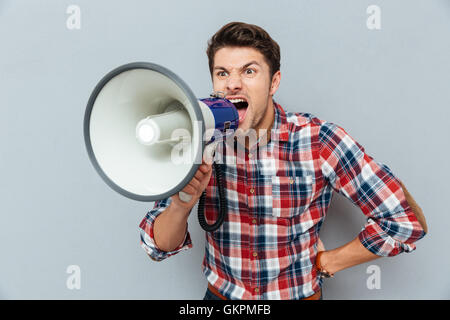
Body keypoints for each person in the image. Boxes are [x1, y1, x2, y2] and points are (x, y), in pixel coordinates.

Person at [139, 22, 428, 300]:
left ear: (274, 81)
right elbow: (157, 245)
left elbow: (404, 221)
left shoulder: (318, 140)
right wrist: (182, 204)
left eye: (249, 71)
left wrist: (332, 261)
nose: (233, 84)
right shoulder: (197, 139)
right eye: (222, 73)